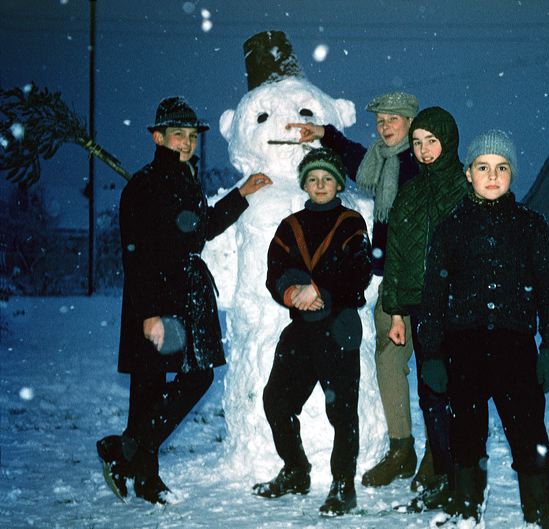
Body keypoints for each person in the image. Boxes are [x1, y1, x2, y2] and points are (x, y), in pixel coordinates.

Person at [96, 96, 272, 504]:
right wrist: (149, 314)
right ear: (158, 137)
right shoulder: (141, 186)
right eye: (179, 135)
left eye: (192, 136)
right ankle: (144, 472)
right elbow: (135, 255)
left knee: (194, 376)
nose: (187, 142)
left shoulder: (186, 180)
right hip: (156, 295)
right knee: (150, 385)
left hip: (188, 291)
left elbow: (201, 230)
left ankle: (127, 452)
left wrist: (241, 194)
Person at [417, 130, 549, 528]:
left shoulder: (531, 226)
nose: (493, 175)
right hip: (462, 348)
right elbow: (432, 297)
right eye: (483, 167)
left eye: (502, 168)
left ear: (512, 174)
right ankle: (468, 515)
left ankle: (537, 520)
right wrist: (431, 353)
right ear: (468, 173)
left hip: (515, 348)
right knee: (466, 438)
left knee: (529, 435)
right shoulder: (450, 228)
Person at [287, 92, 425, 489]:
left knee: (438, 370)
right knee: (388, 360)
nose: (385, 126)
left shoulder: (420, 164)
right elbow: (354, 157)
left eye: (393, 120)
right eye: (380, 120)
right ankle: (403, 447)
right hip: (390, 280)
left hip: (424, 279)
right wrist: (323, 134)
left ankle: (442, 456)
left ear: (411, 122)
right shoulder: (384, 161)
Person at [252, 148, 373, 516]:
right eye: (313, 179)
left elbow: (359, 272)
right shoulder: (290, 226)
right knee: (276, 400)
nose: (320, 185)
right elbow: (276, 269)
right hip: (301, 329)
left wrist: (318, 289)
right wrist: (291, 292)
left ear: (338, 183)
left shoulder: (352, 223)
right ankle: (295, 470)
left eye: (327, 179)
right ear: (305, 184)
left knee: (342, 411)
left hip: (339, 329)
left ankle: (342, 485)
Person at [381, 106, 468, 511]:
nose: (425, 150)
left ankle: (459, 476)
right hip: (421, 310)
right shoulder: (410, 192)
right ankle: (441, 472)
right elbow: (396, 255)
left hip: (459, 309)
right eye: (417, 143)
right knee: (431, 393)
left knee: (461, 392)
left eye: (431, 141)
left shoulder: (467, 186)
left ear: (447, 141)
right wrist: (396, 312)